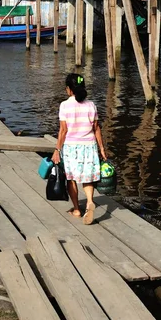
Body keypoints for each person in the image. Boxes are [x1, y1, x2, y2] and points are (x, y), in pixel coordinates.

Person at [52, 73, 107, 225]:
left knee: (71, 178)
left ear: (69, 89)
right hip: (89, 146)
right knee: (87, 177)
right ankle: (90, 201)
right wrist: (101, 148)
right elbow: (96, 128)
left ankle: (77, 210)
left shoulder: (64, 105)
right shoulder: (91, 105)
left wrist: (57, 150)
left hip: (71, 147)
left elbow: (63, 130)